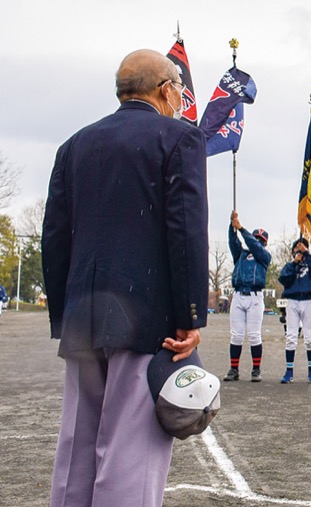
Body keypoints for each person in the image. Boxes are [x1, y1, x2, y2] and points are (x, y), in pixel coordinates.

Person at [44, 49, 207, 506]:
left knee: (76, 448)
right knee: (130, 454)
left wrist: (65, 314)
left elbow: (54, 236)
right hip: (145, 316)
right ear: (163, 89)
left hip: (83, 315)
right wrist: (190, 314)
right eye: (178, 86)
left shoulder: (74, 144)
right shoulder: (179, 139)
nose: (180, 97)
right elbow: (186, 230)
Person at [225, 212, 271, 382]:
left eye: (260, 240)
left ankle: (256, 369)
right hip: (238, 295)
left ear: (264, 243)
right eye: (255, 238)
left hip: (255, 297)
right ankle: (234, 369)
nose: (257, 241)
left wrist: (242, 229)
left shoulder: (264, 257)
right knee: (236, 335)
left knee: (254, 335)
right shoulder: (241, 255)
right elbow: (233, 242)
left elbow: (256, 248)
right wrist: (232, 226)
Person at [280, 237, 311, 384]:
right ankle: (289, 370)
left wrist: (307, 254)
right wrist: (295, 262)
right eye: (298, 249)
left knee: (310, 337)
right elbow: (284, 279)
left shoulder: (310, 264)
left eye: (302, 249)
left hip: (308, 301)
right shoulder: (289, 265)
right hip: (293, 301)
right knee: (291, 336)